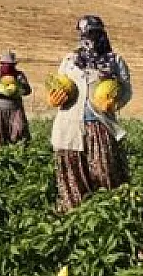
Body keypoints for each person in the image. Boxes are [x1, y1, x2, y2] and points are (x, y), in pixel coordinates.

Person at [51, 15, 133, 212]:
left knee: (104, 171)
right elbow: (59, 84)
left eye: (92, 33)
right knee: (72, 174)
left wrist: (114, 102)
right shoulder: (70, 60)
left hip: (99, 125)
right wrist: (54, 97)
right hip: (69, 126)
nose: (88, 38)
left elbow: (126, 90)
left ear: (101, 34)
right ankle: (74, 216)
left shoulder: (115, 61)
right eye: (84, 34)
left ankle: (109, 212)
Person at [0, 50, 32, 147]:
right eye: (5, 64)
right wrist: (2, 92)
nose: (8, 66)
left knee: (19, 131)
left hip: (15, 110)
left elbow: (28, 90)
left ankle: (18, 152)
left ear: (14, 65)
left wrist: (18, 90)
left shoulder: (19, 75)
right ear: (1, 64)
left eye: (10, 64)